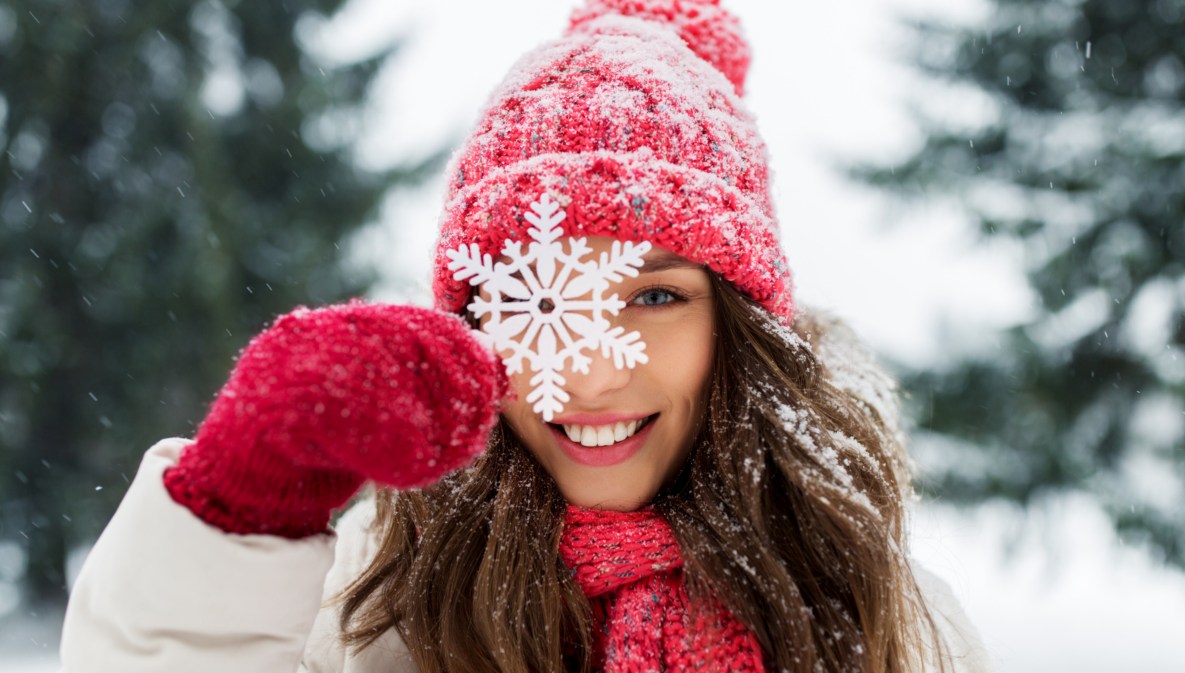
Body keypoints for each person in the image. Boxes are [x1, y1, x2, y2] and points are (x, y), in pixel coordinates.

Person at [59, 1, 993, 671]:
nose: (584, 369)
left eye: (655, 297)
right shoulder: (378, 600)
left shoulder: (873, 610)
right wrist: (240, 512)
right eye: (538, 297)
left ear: (736, 324)